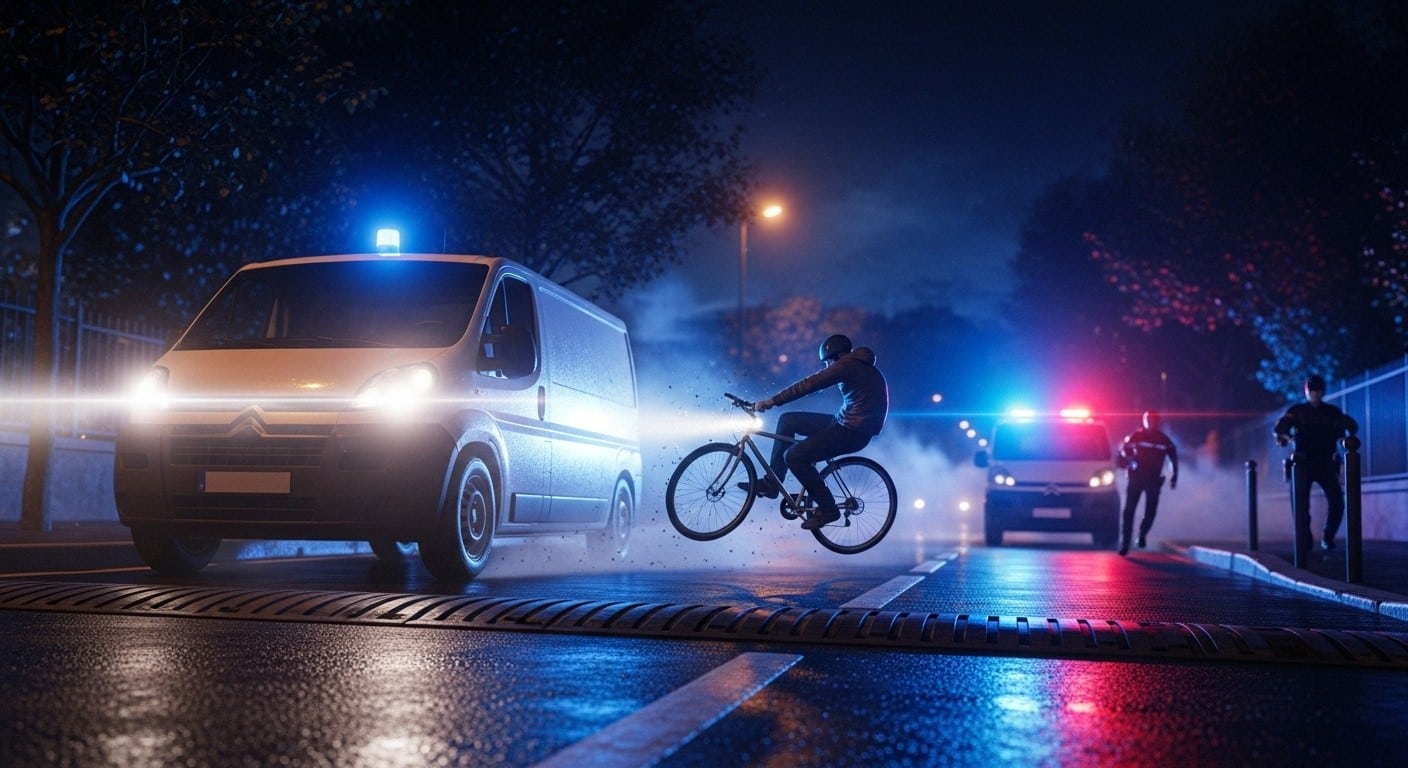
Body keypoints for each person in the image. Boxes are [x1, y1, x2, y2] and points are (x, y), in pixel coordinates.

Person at [741, 334, 889, 530]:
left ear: (836, 356)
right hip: (844, 421)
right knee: (787, 420)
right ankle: (772, 484)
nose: (827, 367)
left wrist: (771, 401)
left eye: (827, 362)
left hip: (853, 432)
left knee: (794, 456)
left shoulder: (847, 365)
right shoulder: (856, 363)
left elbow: (809, 385)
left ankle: (829, 509)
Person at [1273, 374, 1359, 559]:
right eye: (1312, 391)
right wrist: (1284, 437)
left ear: (1322, 392)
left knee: (1337, 501)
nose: (1315, 394)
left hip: (1325, 462)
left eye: (1318, 391)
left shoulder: (1331, 412)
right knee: (1300, 505)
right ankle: (1305, 539)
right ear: (1307, 392)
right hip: (1302, 462)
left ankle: (1328, 537)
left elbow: (1351, 426)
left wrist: (1343, 435)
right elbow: (1280, 428)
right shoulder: (1297, 411)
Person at [1116, 410, 1179, 556]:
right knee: (1128, 511)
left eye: (1153, 420)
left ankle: (1142, 534)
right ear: (1144, 421)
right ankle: (1125, 544)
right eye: (1148, 420)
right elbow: (1124, 451)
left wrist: (1174, 476)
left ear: (1157, 422)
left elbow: (1173, 458)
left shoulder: (1164, 440)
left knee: (1150, 511)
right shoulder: (1137, 436)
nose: (1150, 423)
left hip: (1153, 480)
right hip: (1136, 478)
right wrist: (1128, 462)